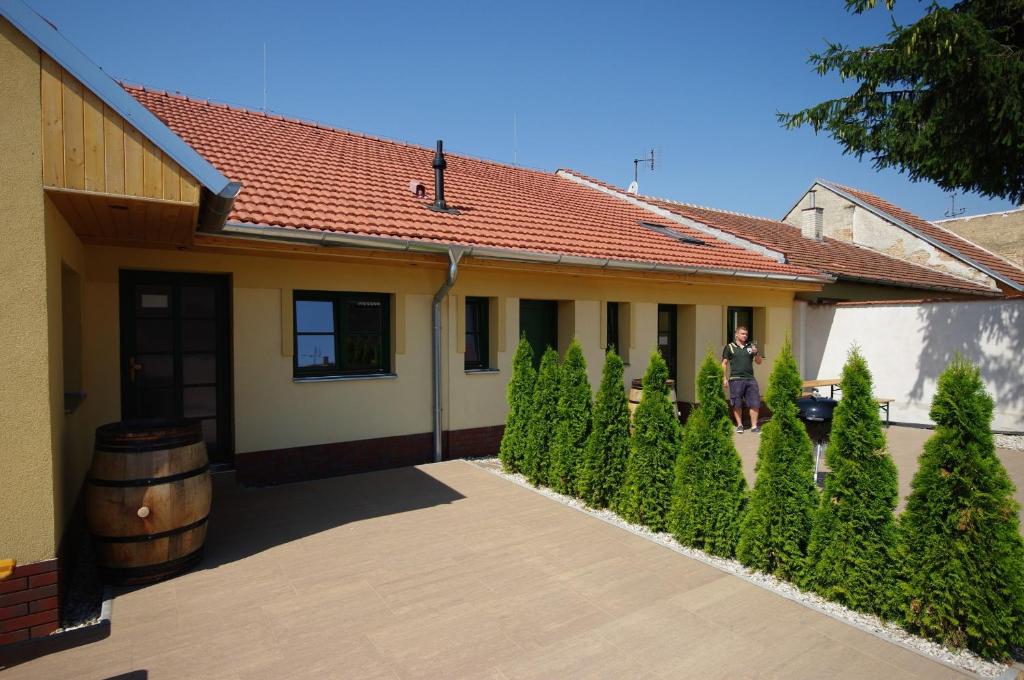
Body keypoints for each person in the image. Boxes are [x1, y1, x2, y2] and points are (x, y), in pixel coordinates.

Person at [722, 326, 762, 433]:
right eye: (742, 334)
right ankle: (740, 425)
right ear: (736, 334)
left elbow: (759, 362)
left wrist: (756, 353)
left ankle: (754, 427)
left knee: (755, 402)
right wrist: (724, 378)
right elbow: (724, 363)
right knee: (737, 403)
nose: (745, 336)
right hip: (735, 379)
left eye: (746, 334)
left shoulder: (750, 346)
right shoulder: (729, 347)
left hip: (750, 379)